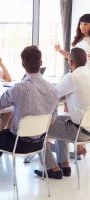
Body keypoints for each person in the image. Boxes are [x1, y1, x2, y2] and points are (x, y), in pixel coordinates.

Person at [0, 45, 58, 182]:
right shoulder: (53, 90)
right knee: (3, 134)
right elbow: (52, 120)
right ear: (41, 63)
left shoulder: (19, 88)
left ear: (23, 64)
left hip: (18, 143)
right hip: (40, 143)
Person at [34, 47, 90, 179]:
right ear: (86, 60)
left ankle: (52, 168)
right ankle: (64, 165)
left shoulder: (72, 77)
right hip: (87, 129)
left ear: (70, 62)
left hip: (78, 131)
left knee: (38, 128)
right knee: (60, 120)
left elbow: (51, 95)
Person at [54, 13, 90, 157]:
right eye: (81, 23)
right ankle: (74, 151)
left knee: (73, 110)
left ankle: (55, 159)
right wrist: (60, 51)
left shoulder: (86, 42)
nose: (82, 26)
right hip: (83, 75)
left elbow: (74, 57)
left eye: (86, 24)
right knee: (75, 109)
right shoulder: (82, 40)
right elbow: (74, 56)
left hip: (80, 76)